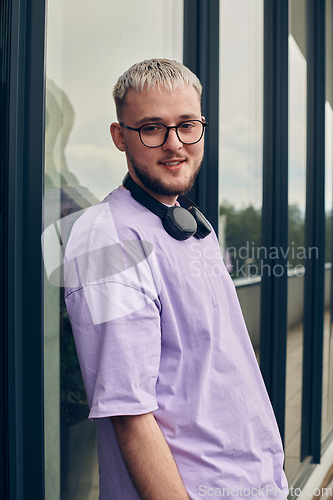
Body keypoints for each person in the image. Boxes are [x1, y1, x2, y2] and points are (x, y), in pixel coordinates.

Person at [64, 59, 288, 500]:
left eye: (187, 125)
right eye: (152, 128)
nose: (174, 145)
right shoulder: (108, 237)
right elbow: (130, 412)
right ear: (119, 136)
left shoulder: (188, 222)